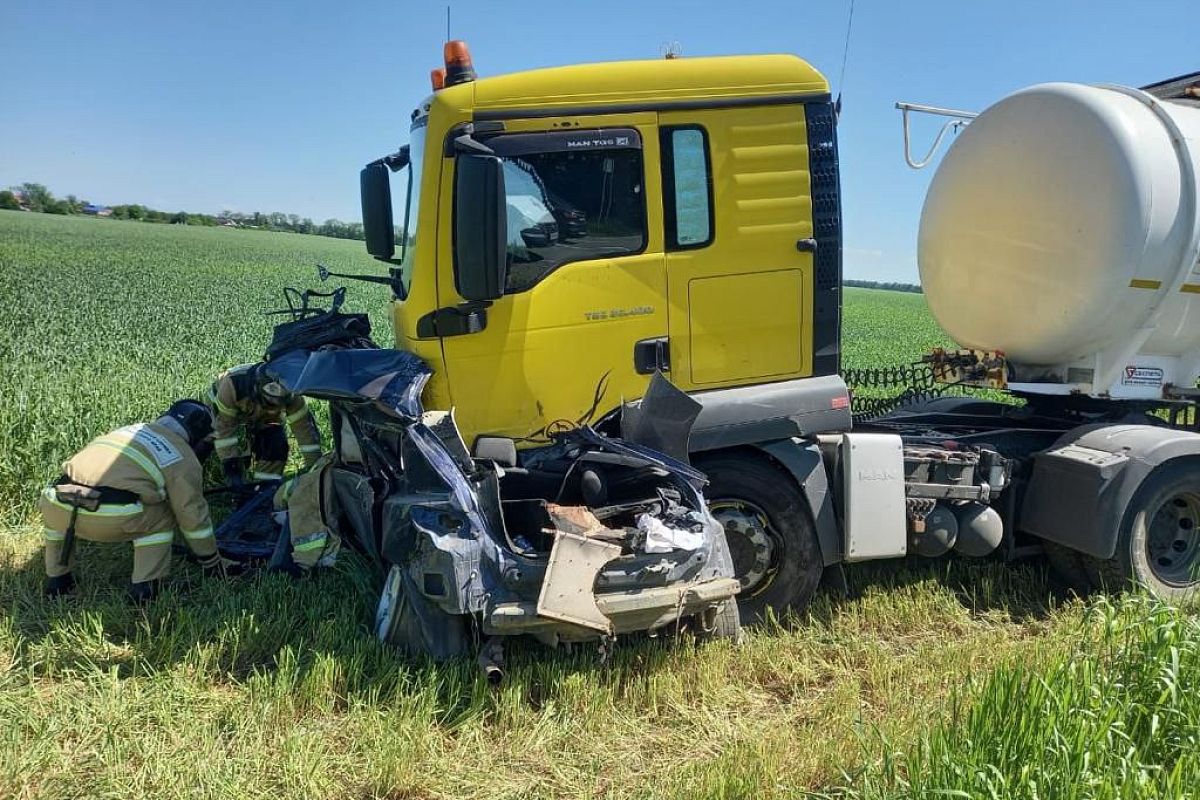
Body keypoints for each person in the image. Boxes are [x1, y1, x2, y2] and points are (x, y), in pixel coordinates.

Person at [39, 399, 237, 602]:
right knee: (164, 516)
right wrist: (211, 561)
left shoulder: (129, 431)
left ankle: (58, 582)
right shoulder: (181, 456)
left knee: (56, 517)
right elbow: (192, 515)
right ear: (196, 435)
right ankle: (146, 588)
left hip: (57, 502)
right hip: (110, 515)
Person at [207, 361, 323, 485]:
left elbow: (305, 432)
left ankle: (265, 486)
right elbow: (224, 429)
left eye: (279, 404)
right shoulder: (233, 385)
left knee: (276, 442)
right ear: (257, 390)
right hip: (221, 410)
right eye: (271, 403)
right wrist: (232, 467)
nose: (274, 407)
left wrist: (316, 471)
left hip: (259, 416)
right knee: (230, 449)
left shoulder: (291, 393)